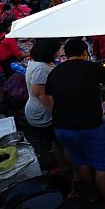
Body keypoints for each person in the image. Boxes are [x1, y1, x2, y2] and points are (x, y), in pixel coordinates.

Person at [46, 38, 105, 206]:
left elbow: (50, 97)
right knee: (102, 166)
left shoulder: (55, 72)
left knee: (82, 162)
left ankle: (92, 194)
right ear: (85, 52)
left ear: (67, 54)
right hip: (89, 126)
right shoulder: (93, 67)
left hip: (62, 128)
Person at [24, 38, 75, 176]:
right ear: (48, 51)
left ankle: (64, 166)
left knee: (56, 141)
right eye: (57, 49)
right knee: (65, 142)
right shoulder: (40, 68)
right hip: (43, 112)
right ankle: (74, 172)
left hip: (43, 110)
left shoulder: (38, 62)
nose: (59, 52)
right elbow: (40, 94)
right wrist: (59, 112)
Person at [0, 17, 26, 83]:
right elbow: (19, 56)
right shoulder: (9, 38)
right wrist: (31, 53)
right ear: (9, 27)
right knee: (3, 87)